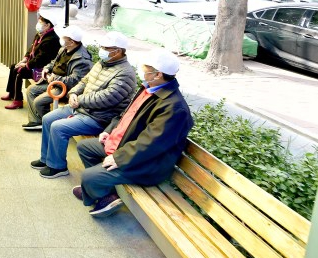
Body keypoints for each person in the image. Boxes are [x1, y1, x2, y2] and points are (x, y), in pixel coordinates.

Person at [73, 49, 193, 218]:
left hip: (147, 163)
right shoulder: (149, 89)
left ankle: (98, 192)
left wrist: (119, 158)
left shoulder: (174, 108)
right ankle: (104, 193)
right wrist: (109, 131)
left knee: (89, 177)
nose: (141, 70)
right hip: (127, 145)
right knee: (85, 147)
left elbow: (151, 144)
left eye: (145, 68)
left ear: (158, 74)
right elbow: (125, 115)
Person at [31, 31, 136, 179]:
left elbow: (106, 98)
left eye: (106, 48)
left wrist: (79, 100)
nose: (102, 50)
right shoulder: (102, 63)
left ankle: (57, 166)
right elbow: (84, 81)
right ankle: (46, 159)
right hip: (81, 108)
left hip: (99, 117)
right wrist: (74, 93)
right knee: (48, 119)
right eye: (102, 47)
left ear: (118, 51)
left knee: (58, 127)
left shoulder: (125, 73)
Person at [22, 25, 93, 130]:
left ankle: (47, 123)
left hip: (64, 88)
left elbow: (75, 81)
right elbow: (53, 62)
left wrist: (55, 78)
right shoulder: (64, 49)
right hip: (53, 82)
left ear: (72, 42)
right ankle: (37, 121)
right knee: (31, 90)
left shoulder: (82, 59)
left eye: (64, 38)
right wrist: (47, 68)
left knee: (39, 101)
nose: (61, 39)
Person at [1, 14, 61, 109]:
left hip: (42, 68)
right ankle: (12, 93)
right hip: (35, 63)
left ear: (48, 25)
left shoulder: (51, 39)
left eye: (40, 22)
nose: (38, 24)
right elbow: (32, 48)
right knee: (13, 66)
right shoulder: (40, 34)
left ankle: (18, 100)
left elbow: (41, 58)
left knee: (19, 71)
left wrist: (26, 65)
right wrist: (25, 59)